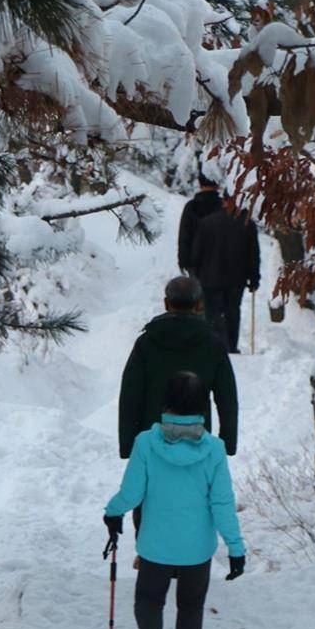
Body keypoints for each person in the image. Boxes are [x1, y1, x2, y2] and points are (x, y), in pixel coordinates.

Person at [103, 371, 246, 629]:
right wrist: (236, 549)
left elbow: (131, 493)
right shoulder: (214, 449)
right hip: (197, 550)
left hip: (155, 546)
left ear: (165, 403)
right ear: (202, 406)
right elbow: (222, 503)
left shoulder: (146, 443)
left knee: (149, 598)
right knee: (191, 608)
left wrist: (112, 513)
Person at [118, 276, 238, 461]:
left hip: (152, 441)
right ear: (199, 305)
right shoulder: (213, 345)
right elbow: (227, 399)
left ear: (166, 303)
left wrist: (128, 446)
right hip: (197, 442)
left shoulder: (146, 343)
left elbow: (130, 396)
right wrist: (227, 444)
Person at [190, 200, 262, 354]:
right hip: (236, 278)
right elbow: (253, 254)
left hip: (209, 277)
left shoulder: (207, 222)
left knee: (212, 313)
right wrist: (254, 277)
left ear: (223, 202)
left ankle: (213, 346)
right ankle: (230, 346)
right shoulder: (247, 223)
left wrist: (197, 272)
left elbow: (196, 252)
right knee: (233, 312)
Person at [176, 173, 223, 274]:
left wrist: (183, 261)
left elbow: (185, 235)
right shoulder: (224, 207)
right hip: (221, 262)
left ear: (200, 184)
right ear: (217, 185)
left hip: (196, 262)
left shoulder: (191, 206)